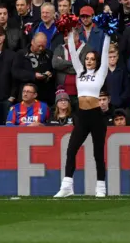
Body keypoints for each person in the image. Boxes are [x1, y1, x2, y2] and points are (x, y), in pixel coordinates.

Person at [54, 29, 111, 198]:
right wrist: (70, 32)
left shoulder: (101, 73)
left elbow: (106, 52)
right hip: (82, 115)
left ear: (97, 61)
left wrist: (108, 34)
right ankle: (67, 185)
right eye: (87, 59)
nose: (89, 61)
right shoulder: (80, 72)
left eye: (92, 59)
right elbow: (72, 51)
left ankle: (100, 187)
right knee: (71, 149)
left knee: (98, 153)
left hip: (96, 116)